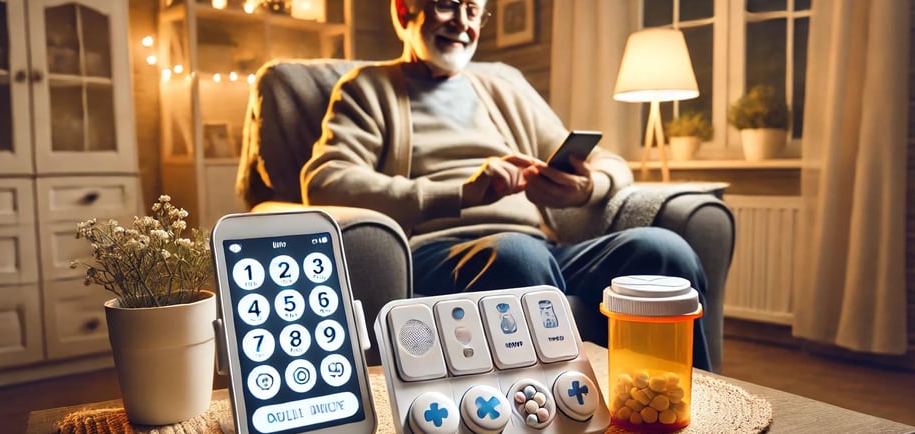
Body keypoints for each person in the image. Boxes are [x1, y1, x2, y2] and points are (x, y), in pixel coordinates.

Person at [301, 0, 712, 370]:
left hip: (541, 248)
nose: (462, 22)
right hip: (439, 253)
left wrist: (584, 188)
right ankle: (559, 415)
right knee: (518, 256)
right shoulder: (366, 88)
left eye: (473, 10)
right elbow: (326, 180)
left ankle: (687, 409)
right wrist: (462, 192)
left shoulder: (503, 84)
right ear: (404, 11)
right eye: (446, 5)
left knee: (664, 252)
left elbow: (608, 163)